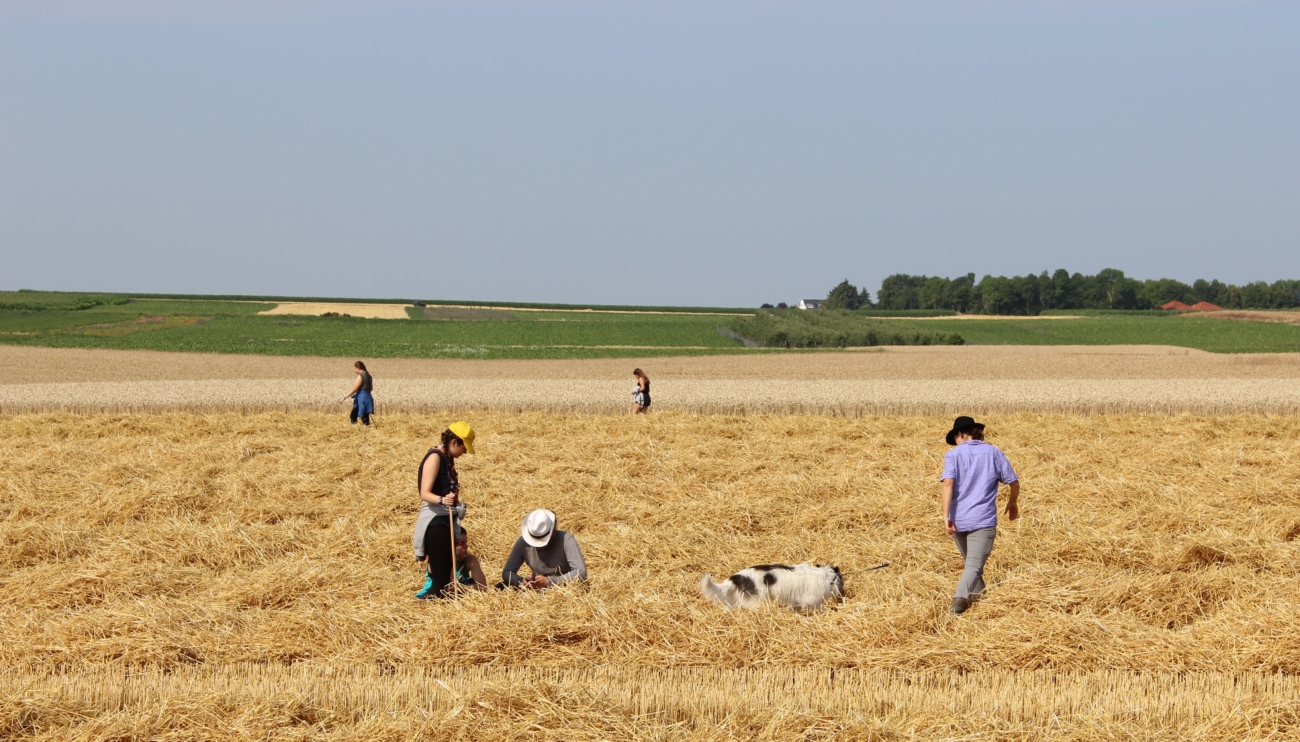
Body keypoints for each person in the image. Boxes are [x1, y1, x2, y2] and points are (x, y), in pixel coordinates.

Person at [940, 415, 1020, 615]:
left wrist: (945, 516)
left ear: (960, 434)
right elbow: (1014, 482)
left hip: (959, 519)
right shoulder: (993, 453)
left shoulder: (953, 455)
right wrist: (1012, 503)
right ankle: (959, 602)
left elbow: (947, 484)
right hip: (983, 519)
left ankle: (981, 599)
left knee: (972, 565)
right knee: (974, 565)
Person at [412, 421, 476, 600]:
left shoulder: (448, 459)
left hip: (446, 520)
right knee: (440, 582)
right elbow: (424, 493)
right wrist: (441, 499)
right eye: (464, 447)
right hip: (435, 523)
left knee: (447, 579)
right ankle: (426, 609)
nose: (465, 453)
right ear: (455, 442)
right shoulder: (435, 458)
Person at [500, 509, 588, 589]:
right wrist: (522, 581)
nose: (539, 546)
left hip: (564, 589)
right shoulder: (523, 542)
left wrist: (550, 581)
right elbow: (507, 572)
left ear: (553, 532)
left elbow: (581, 571)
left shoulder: (566, 539)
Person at [340, 361, 375, 426]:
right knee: (365, 416)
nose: (354, 369)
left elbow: (354, 389)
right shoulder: (369, 376)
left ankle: (355, 429)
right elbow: (371, 389)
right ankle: (367, 429)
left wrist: (344, 397)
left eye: (354, 368)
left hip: (361, 398)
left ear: (358, 367)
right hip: (368, 397)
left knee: (353, 416)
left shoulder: (360, 376)